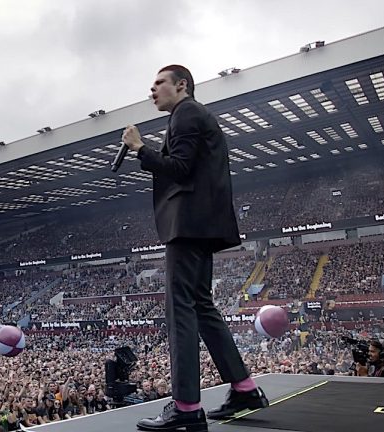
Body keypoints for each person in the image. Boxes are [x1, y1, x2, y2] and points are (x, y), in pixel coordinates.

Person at [122, 64, 268, 432]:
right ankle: (244, 389)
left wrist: (140, 149)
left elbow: (180, 167)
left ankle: (186, 405)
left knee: (181, 309)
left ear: (181, 85)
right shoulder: (193, 114)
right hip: (202, 223)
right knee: (201, 305)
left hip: (187, 223)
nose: (152, 90)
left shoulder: (186, 113)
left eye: (159, 83)